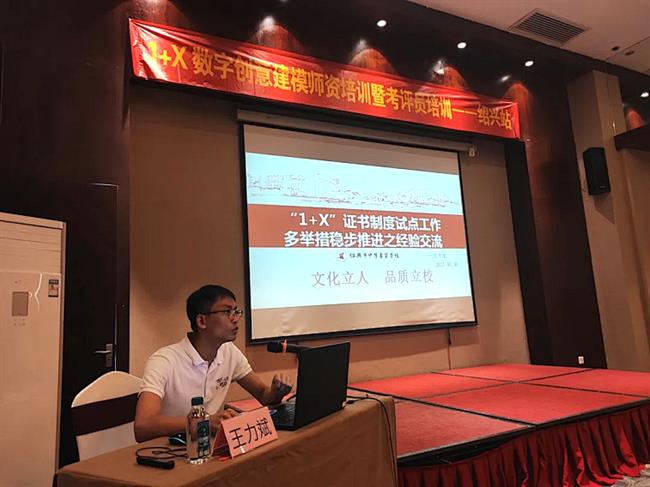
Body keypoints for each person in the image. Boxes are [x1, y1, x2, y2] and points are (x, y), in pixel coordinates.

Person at [134, 284, 292, 442]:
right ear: (201, 321)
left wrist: (277, 392)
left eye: (236, 311)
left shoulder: (229, 352)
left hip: (210, 445)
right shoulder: (164, 360)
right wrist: (204, 422)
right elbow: (143, 426)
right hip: (170, 448)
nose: (235, 318)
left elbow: (264, 395)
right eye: (227, 312)